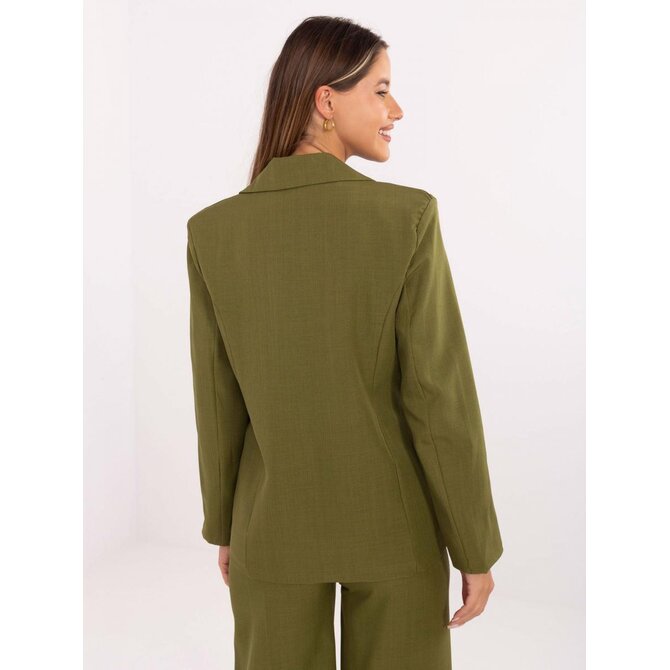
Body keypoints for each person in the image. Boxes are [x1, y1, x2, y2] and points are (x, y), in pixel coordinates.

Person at [186, 15, 503, 669]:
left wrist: (226, 524)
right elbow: (437, 399)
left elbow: (218, 402)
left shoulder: (213, 231)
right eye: (381, 90)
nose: (396, 109)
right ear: (326, 100)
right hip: (395, 529)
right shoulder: (406, 218)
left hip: (270, 529)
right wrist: (473, 544)